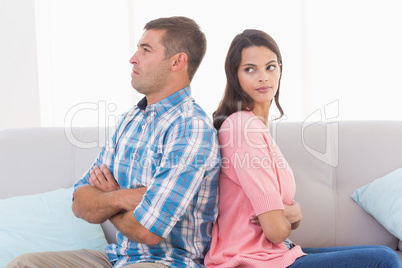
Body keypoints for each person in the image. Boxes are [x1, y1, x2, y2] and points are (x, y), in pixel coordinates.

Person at [7, 16, 221, 268]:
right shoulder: (130, 120)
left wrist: (107, 199)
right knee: (24, 263)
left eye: (146, 49)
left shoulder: (191, 128)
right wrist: (120, 198)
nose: (133, 57)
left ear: (177, 61)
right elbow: (79, 201)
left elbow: (147, 232)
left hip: (166, 262)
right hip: (116, 258)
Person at [204, 29, 401, 268]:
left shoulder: (256, 127)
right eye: (250, 69)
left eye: (270, 67)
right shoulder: (242, 128)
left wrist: (290, 214)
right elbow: (276, 230)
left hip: (275, 253)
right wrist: (291, 214)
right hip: (250, 260)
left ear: (280, 68)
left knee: (379, 252)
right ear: (234, 75)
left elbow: (280, 223)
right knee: (384, 260)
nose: (263, 77)